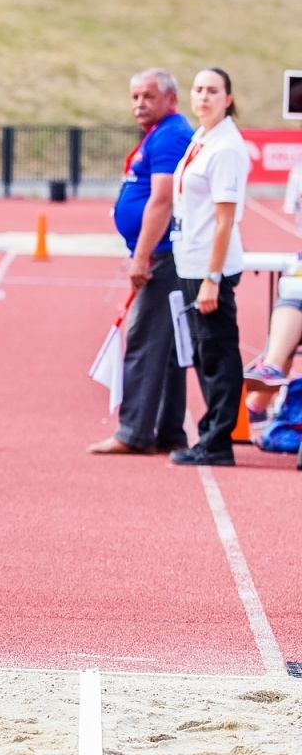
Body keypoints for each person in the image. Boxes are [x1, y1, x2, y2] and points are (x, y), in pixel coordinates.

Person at [89, 68, 195, 456]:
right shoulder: (161, 133)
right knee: (166, 349)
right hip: (162, 253)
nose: (139, 104)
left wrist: (141, 256)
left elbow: (162, 200)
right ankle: (169, 431)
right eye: (135, 97)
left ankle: (133, 431)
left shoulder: (169, 136)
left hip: (161, 256)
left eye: (148, 96)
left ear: (170, 99)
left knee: (145, 342)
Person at [167, 68, 248, 467]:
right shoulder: (202, 138)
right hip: (191, 259)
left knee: (217, 353)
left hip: (209, 268)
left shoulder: (227, 148)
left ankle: (217, 442)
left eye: (212, 91)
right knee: (202, 351)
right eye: (198, 90)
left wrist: (212, 279)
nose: (203, 97)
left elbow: (224, 220)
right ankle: (212, 434)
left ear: (228, 98)